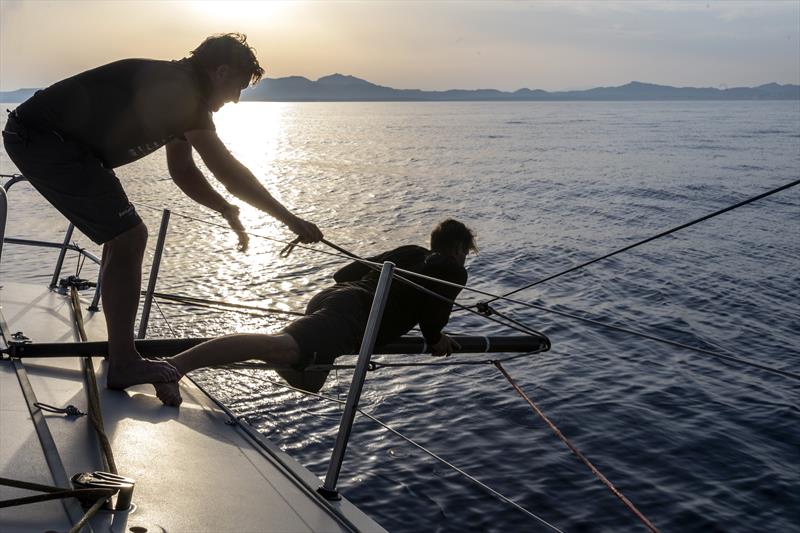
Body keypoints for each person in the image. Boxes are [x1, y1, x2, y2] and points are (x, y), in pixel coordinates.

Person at [2, 33, 323, 390]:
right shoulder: (181, 93)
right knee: (129, 236)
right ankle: (124, 362)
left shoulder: (177, 90)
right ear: (220, 71)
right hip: (45, 139)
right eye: (238, 87)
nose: (235, 99)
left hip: (55, 142)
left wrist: (225, 209)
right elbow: (228, 171)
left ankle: (120, 352)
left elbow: (183, 170)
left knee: (122, 238)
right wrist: (290, 219)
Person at [153, 219, 477, 406]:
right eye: (466, 252)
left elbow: (344, 274)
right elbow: (434, 317)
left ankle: (197, 356)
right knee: (276, 346)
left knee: (309, 380)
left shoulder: (410, 252)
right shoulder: (453, 269)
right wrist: (436, 340)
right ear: (460, 248)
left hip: (336, 299)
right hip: (351, 317)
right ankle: (173, 367)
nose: (465, 258)